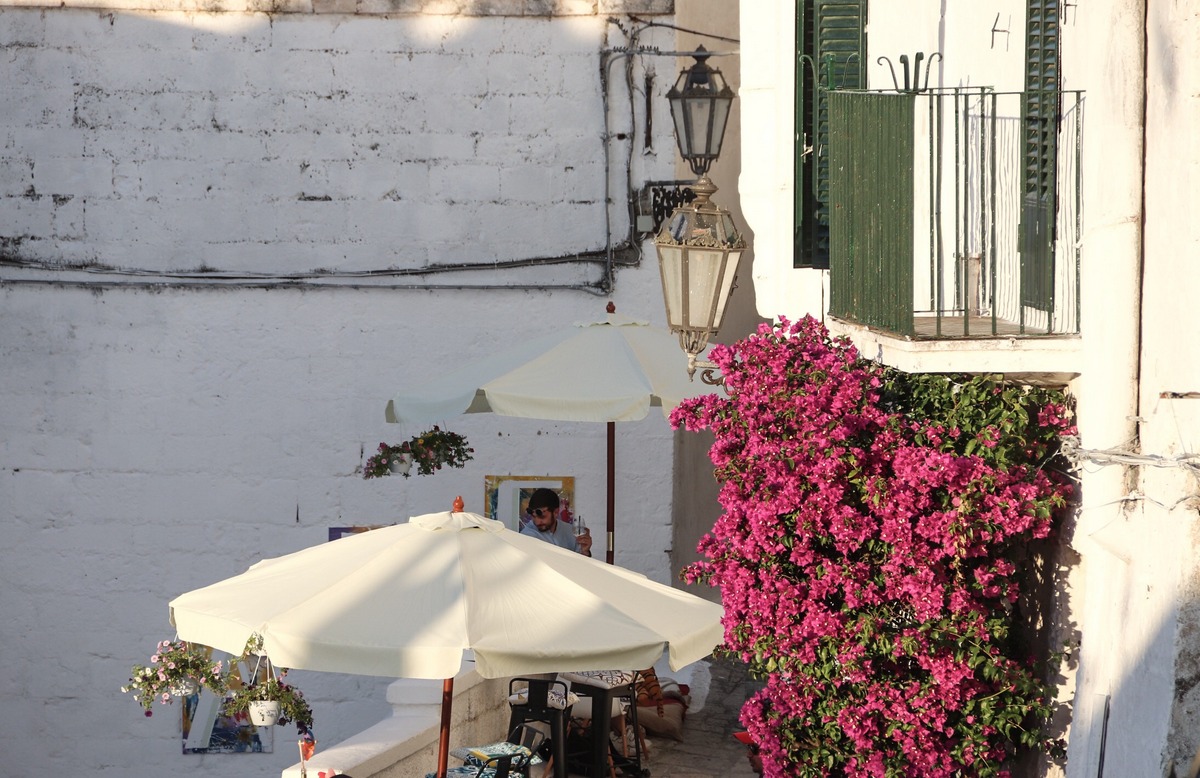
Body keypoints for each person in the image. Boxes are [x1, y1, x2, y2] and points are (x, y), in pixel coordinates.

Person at [519, 488, 592, 557]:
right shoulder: (526, 537)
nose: (537, 522)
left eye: (542, 517)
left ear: (556, 512)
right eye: (533, 517)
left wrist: (585, 551)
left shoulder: (570, 531)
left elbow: (581, 565)